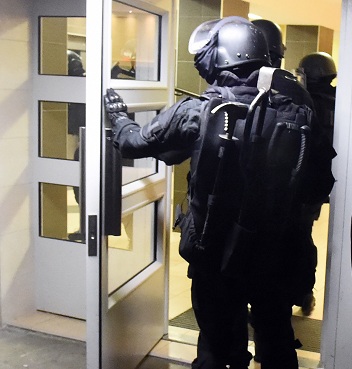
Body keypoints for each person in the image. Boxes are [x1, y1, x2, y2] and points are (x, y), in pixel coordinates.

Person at [104, 16, 334, 369]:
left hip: (217, 254)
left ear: (220, 57)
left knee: (216, 347)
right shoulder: (298, 108)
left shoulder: (199, 110)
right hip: (277, 252)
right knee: (277, 342)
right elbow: (320, 183)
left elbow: (134, 143)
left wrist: (118, 116)